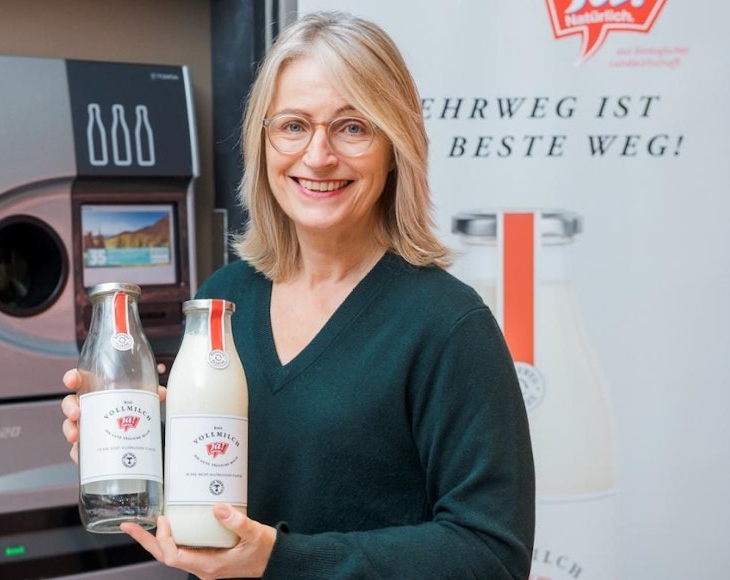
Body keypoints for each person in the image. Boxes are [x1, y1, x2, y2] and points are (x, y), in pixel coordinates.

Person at [62, 10, 534, 579]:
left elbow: (492, 556)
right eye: (293, 126)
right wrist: (131, 446)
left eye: (352, 126)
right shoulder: (222, 305)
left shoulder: (448, 325)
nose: (318, 156)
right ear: (262, 143)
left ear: (396, 146)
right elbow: (211, 493)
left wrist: (282, 561)